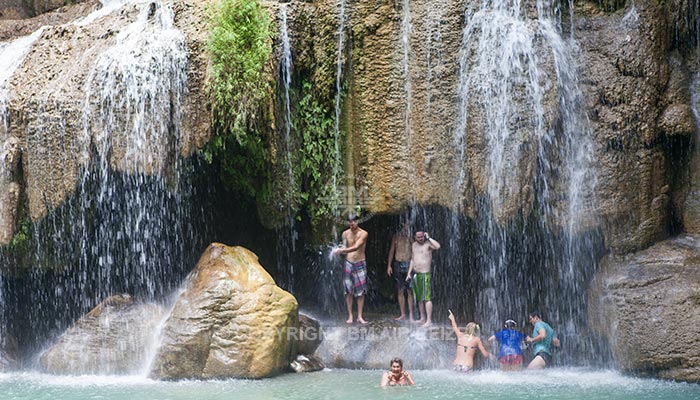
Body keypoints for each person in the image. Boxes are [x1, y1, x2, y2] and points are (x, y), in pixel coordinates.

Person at [332, 213, 369, 324]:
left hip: (360, 262)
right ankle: (350, 316)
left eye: (353, 221)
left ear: (357, 221)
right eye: (350, 222)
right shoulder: (345, 234)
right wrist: (337, 252)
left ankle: (360, 316)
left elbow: (357, 246)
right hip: (348, 263)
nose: (351, 224)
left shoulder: (363, 233)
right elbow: (344, 247)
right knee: (348, 290)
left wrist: (342, 251)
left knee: (360, 291)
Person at [405, 230, 440, 327]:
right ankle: (422, 318)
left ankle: (429, 320)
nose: (420, 239)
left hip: (425, 274)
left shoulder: (428, 244)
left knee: (427, 298)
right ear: (415, 237)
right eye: (418, 237)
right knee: (419, 298)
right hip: (416, 274)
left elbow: (438, 246)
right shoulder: (414, 245)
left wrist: (429, 238)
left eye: (422, 237)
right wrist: (409, 273)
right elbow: (412, 259)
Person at [386, 221, 413, 321]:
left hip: (408, 264)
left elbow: (415, 250)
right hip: (397, 263)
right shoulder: (396, 236)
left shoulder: (411, 237)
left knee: (410, 290)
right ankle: (402, 314)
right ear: (402, 225)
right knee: (400, 290)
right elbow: (392, 250)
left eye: (408, 225)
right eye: (405, 225)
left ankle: (411, 314)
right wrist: (389, 265)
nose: (406, 227)